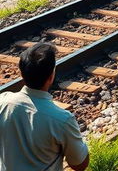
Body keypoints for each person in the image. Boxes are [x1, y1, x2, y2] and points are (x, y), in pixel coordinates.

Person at [0, 43, 89, 171]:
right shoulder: (62, 119)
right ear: (51, 76)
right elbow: (79, 164)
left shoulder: (3, 101)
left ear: (22, 73)